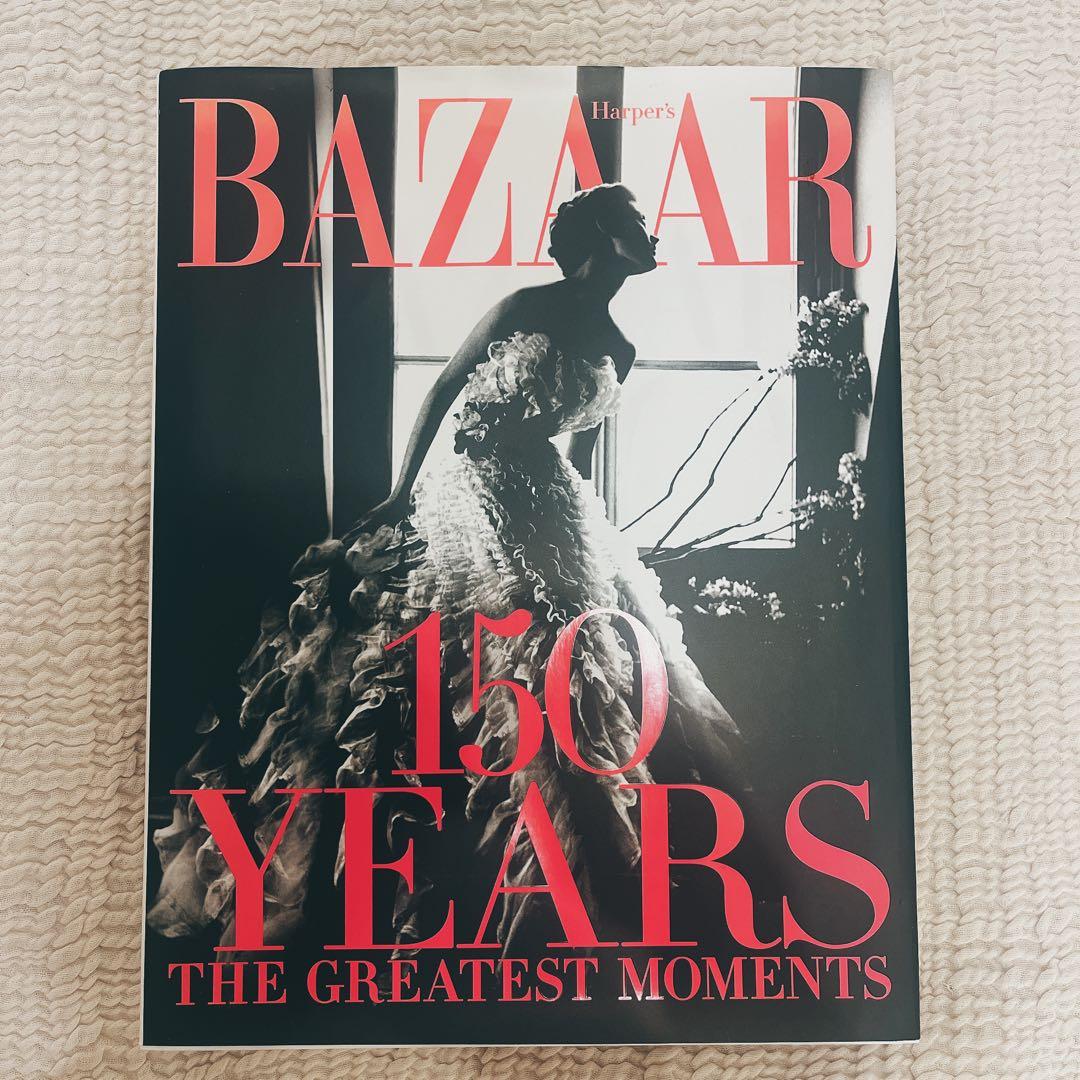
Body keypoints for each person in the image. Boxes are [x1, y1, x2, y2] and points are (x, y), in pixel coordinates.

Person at [149, 183, 741, 955]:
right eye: (632, 224)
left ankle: (584, 861)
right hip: (469, 486)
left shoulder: (619, 349)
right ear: (600, 237)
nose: (647, 235)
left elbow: (579, 454)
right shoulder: (524, 305)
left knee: (576, 651)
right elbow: (443, 387)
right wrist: (401, 495)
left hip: (550, 500)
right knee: (463, 646)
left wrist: (579, 535)